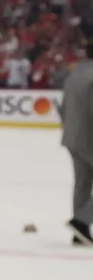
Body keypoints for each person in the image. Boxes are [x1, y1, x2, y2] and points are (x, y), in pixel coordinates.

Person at [61, 41, 93, 245]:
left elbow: (64, 107)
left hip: (72, 137)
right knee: (82, 183)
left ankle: (79, 232)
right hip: (89, 138)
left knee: (82, 184)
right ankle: (81, 222)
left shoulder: (76, 74)